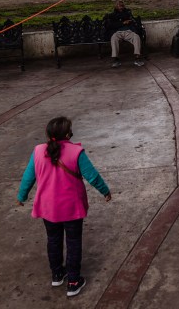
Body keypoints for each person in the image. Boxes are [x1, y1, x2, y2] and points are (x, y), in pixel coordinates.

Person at [16, 116, 111, 298]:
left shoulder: (37, 151)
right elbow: (92, 176)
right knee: (73, 242)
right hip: (71, 208)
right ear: (68, 134)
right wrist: (105, 191)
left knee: (53, 239)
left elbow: (29, 177)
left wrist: (22, 196)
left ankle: (57, 274)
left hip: (47, 208)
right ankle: (74, 281)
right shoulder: (76, 152)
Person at [105, 1, 144, 67]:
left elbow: (132, 21)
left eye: (122, 6)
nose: (121, 7)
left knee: (136, 37)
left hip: (128, 31)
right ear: (116, 7)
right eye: (119, 6)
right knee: (113, 38)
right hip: (117, 32)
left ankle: (137, 58)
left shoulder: (127, 13)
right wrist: (123, 23)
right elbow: (111, 26)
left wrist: (128, 21)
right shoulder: (112, 15)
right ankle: (115, 59)